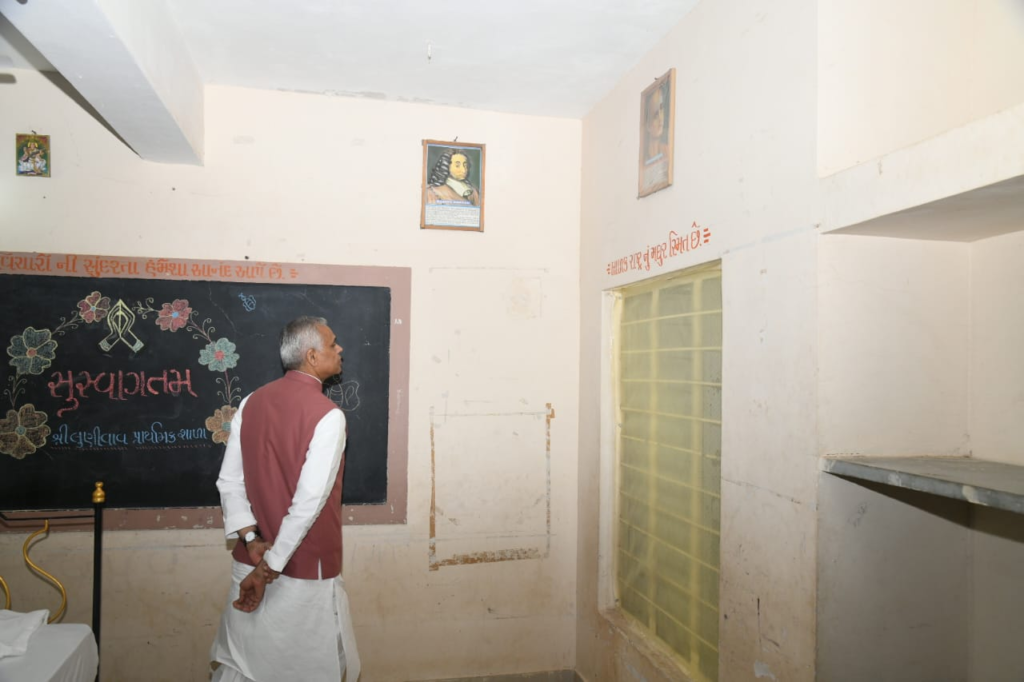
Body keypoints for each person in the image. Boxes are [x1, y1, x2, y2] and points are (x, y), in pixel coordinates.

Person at [210, 316, 360, 682]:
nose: (339, 349)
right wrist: (268, 568)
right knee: (303, 669)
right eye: (332, 344)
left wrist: (252, 542)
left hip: (252, 560)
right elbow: (308, 504)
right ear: (312, 356)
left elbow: (229, 482)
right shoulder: (328, 416)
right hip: (300, 571)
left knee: (248, 665)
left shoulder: (251, 402)